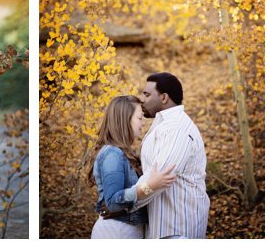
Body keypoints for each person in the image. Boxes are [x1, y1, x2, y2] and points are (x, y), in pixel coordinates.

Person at [131, 72, 209, 238]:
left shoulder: (176, 128)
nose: (141, 99)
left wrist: (123, 202)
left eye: (146, 94)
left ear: (164, 98)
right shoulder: (164, 125)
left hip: (177, 228)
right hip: (163, 226)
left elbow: (160, 177)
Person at [87, 95, 176, 239]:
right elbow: (112, 203)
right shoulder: (112, 154)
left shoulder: (124, 153)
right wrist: (149, 186)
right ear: (125, 119)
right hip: (116, 232)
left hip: (126, 231)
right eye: (139, 118)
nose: (142, 124)